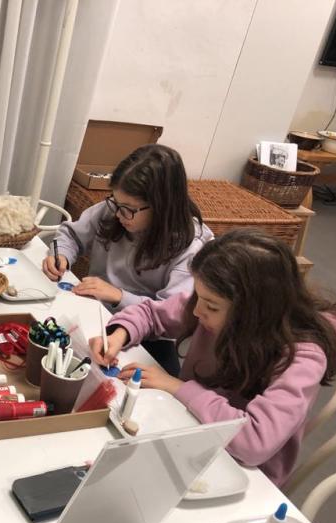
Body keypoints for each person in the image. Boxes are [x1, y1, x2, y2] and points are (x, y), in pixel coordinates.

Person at [89, 229, 336, 486]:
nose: (197, 311)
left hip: (244, 475)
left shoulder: (303, 357)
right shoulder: (212, 303)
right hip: (190, 431)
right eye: (198, 297)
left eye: (211, 306)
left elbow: (254, 442)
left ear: (254, 313)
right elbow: (151, 313)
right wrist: (119, 333)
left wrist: (178, 388)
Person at [43, 144, 213, 375]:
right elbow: (71, 235)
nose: (117, 214)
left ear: (161, 207)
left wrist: (118, 296)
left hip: (150, 339)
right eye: (115, 202)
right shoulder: (115, 210)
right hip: (95, 312)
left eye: (128, 209)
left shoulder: (190, 246)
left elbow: (169, 315)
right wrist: (61, 254)